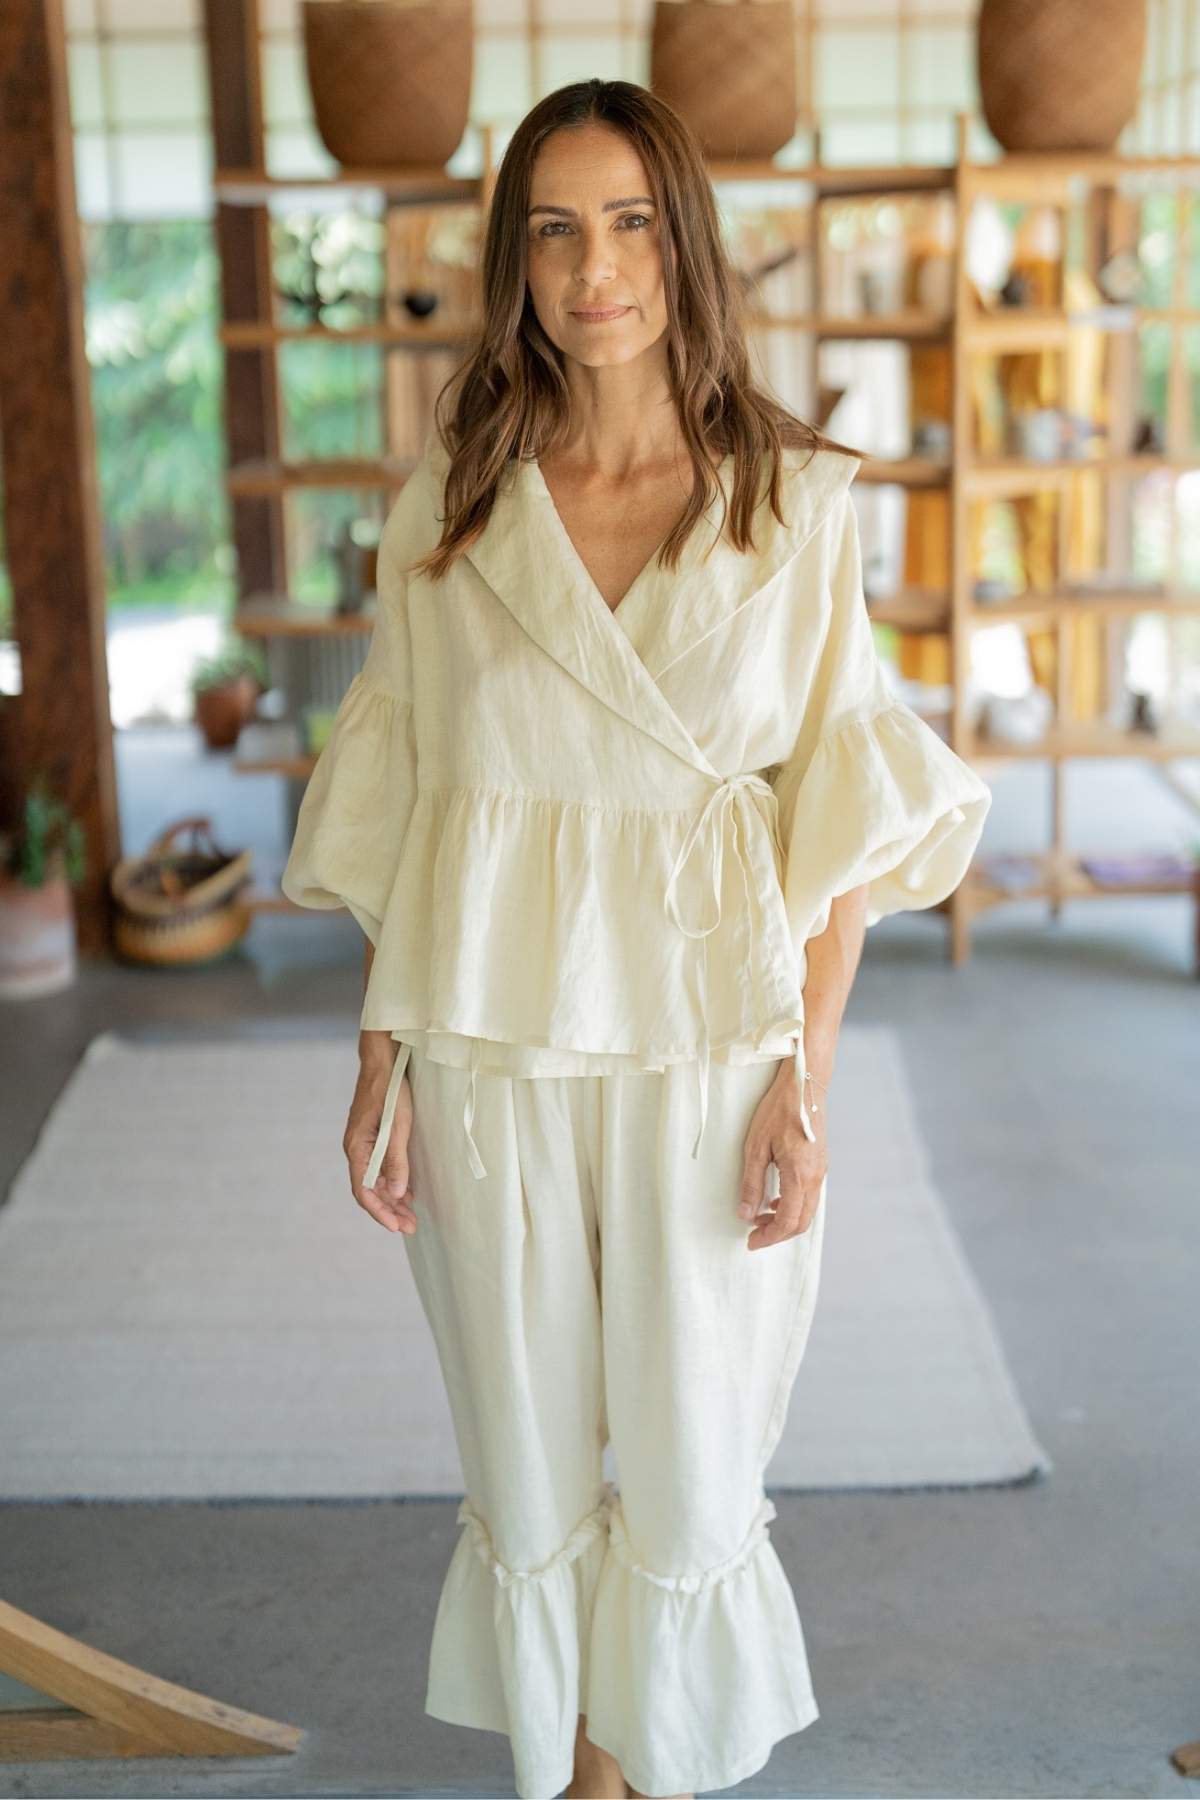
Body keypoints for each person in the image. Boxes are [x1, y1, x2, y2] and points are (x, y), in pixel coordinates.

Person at [281, 78, 992, 1800]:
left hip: (706, 1044)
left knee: (687, 1471)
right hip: (490, 1041)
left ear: (681, 239)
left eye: (626, 222)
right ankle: (585, 1782)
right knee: (527, 1466)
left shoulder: (794, 500)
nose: (592, 268)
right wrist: (379, 1051)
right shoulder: (454, 499)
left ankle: (638, 1774)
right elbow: (406, 778)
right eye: (552, 227)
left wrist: (801, 1087)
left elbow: (838, 827)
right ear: (514, 257)